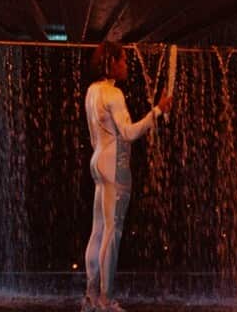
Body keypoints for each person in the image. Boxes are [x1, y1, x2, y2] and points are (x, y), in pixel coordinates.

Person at [82, 42, 173, 312]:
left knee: (98, 231)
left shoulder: (91, 92)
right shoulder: (113, 94)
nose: (126, 65)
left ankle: (90, 296)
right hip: (115, 167)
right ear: (110, 62)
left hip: (98, 161)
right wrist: (157, 111)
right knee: (113, 231)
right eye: (122, 60)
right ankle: (106, 300)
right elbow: (129, 133)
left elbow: (96, 133)